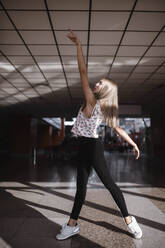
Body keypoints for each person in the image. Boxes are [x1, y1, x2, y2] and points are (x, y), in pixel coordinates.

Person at [56, 29, 142, 240]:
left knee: (109, 184)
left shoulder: (95, 103)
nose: (96, 83)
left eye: (101, 83)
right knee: (80, 188)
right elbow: (118, 128)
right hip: (83, 146)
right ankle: (72, 224)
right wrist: (133, 144)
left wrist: (78, 46)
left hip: (94, 147)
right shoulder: (95, 103)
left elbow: (83, 72)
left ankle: (129, 220)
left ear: (105, 91)